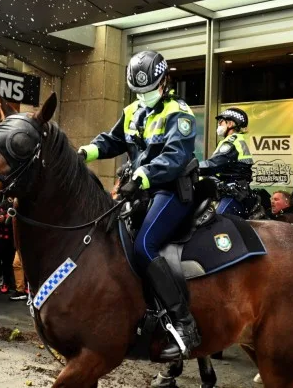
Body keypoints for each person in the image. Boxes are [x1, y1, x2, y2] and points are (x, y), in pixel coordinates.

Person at [77, 50, 200, 358]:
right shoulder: (132, 110)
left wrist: (142, 176)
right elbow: (112, 140)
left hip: (169, 190)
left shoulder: (179, 113)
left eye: (150, 89)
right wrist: (86, 152)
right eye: (139, 91)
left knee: (144, 246)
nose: (144, 96)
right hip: (139, 192)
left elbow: (174, 158)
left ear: (165, 82)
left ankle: (185, 325)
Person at [199, 108, 254, 217]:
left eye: (221, 122)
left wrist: (194, 168)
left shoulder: (232, 142)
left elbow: (215, 164)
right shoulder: (232, 140)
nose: (218, 125)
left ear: (230, 123)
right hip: (230, 191)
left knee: (217, 222)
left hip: (234, 193)